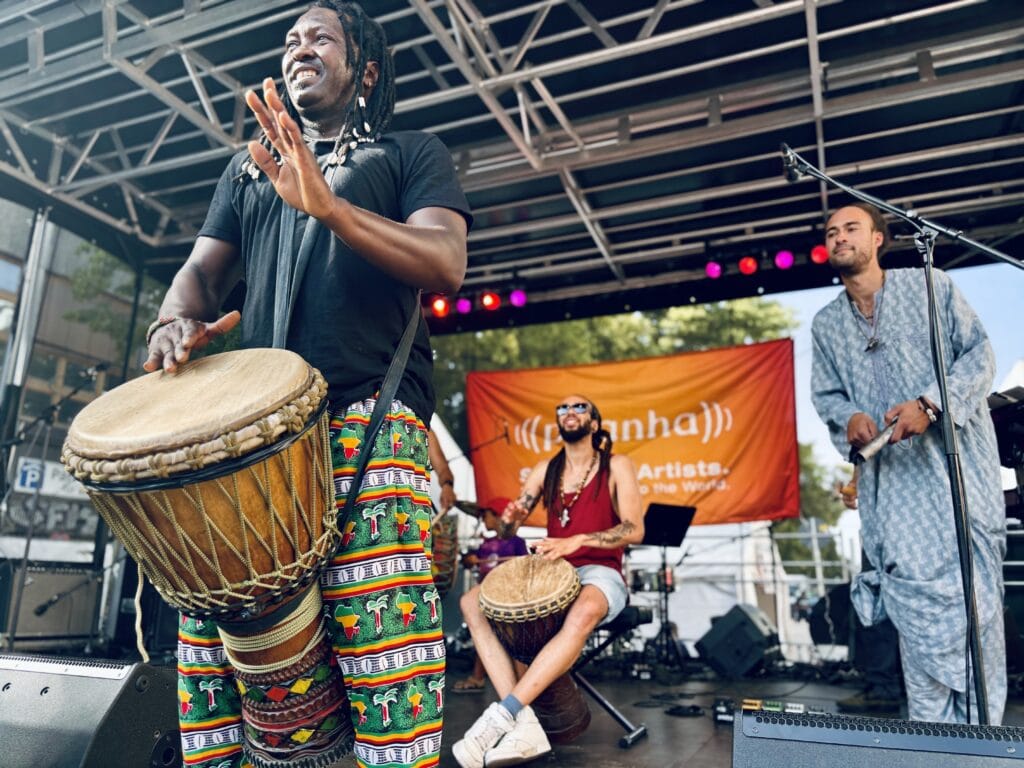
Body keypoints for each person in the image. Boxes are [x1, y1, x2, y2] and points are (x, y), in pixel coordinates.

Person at [143, 3, 471, 767]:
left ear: (367, 69)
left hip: (367, 423)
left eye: (320, 36)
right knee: (229, 656)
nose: (300, 47)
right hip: (252, 440)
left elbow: (445, 261)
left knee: (382, 652)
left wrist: (331, 206)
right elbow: (199, 274)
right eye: (291, 39)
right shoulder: (248, 167)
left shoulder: (410, 151)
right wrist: (174, 322)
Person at [810, 202, 1006, 724]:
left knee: (974, 610)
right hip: (893, 493)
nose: (839, 237)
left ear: (879, 238)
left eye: (852, 228)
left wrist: (929, 404)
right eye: (831, 232)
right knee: (916, 617)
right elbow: (826, 395)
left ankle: (983, 748)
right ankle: (935, 745)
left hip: (957, 477)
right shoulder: (826, 325)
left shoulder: (931, 286)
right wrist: (849, 415)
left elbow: (980, 356)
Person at [453, 396, 643, 767]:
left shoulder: (617, 466)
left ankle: (498, 719)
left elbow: (634, 528)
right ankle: (523, 723)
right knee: (471, 601)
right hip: (554, 572)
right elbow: (509, 527)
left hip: (600, 571)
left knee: (586, 607)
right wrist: (508, 520)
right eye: (562, 409)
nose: (569, 412)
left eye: (579, 407)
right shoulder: (545, 470)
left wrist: (580, 540)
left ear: (594, 422)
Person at [453, 498, 530, 694]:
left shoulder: (516, 542)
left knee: (513, 639)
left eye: (485, 515)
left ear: (498, 516)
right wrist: (469, 560)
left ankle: (523, 684)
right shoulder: (486, 544)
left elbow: (526, 566)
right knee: (484, 636)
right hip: (486, 597)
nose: (483, 519)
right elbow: (470, 561)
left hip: (509, 598)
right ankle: (478, 677)